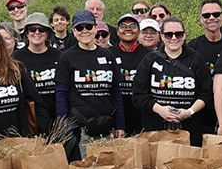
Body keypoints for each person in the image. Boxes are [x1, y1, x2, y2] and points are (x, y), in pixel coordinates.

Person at [58, 9, 125, 153]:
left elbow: (116, 92)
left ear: (95, 28)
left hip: (107, 126)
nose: (84, 31)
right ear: (74, 31)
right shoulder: (67, 57)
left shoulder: (108, 55)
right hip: (80, 127)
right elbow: (61, 94)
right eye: (79, 28)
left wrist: (121, 125)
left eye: (88, 27)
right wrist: (62, 127)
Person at [135, 16, 208, 144]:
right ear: (162, 36)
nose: (174, 38)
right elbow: (138, 95)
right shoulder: (150, 59)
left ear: (184, 35)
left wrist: (189, 112)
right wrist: (160, 110)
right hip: (156, 129)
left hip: (189, 130)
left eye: (178, 34)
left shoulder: (196, 59)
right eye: (169, 35)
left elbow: (206, 93)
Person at [18, 15, 62, 131]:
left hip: (56, 116)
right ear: (27, 33)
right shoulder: (16, 58)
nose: (37, 32)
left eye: (41, 29)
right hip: (31, 119)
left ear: (47, 33)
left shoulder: (58, 55)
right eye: (32, 29)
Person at [112, 13, 150, 131]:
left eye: (133, 25)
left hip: (142, 113)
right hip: (116, 113)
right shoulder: (108, 54)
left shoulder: (149, 55)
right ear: (117, 31)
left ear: (138, 32)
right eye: (123, 26)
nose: (128, 29)